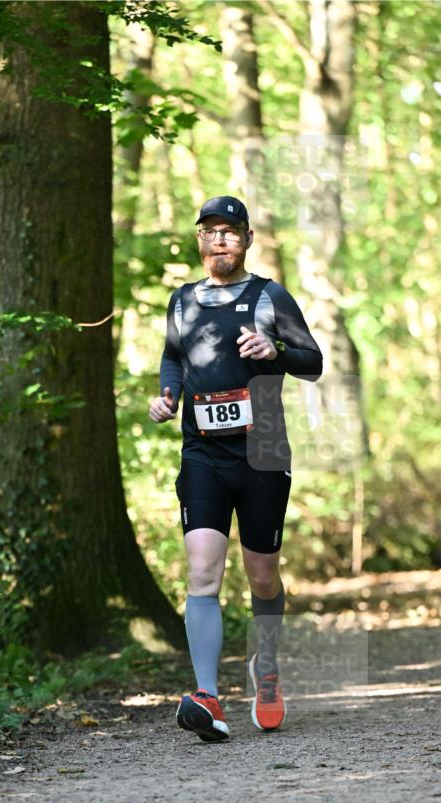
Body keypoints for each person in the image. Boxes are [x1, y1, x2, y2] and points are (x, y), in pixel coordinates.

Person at [149, 196, 323, 742]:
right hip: (202, 452)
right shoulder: (182, 301)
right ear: (199, 240)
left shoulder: (270, 296)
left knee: (262, 575)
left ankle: (265, 666)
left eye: (230, 230)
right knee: (203, 571)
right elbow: (173, 357)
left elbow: (313, 362)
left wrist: (275, 350)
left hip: (263, 451)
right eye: (210, 231)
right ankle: (207, 695)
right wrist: (169, 395)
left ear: (247, 239)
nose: (219, 239)